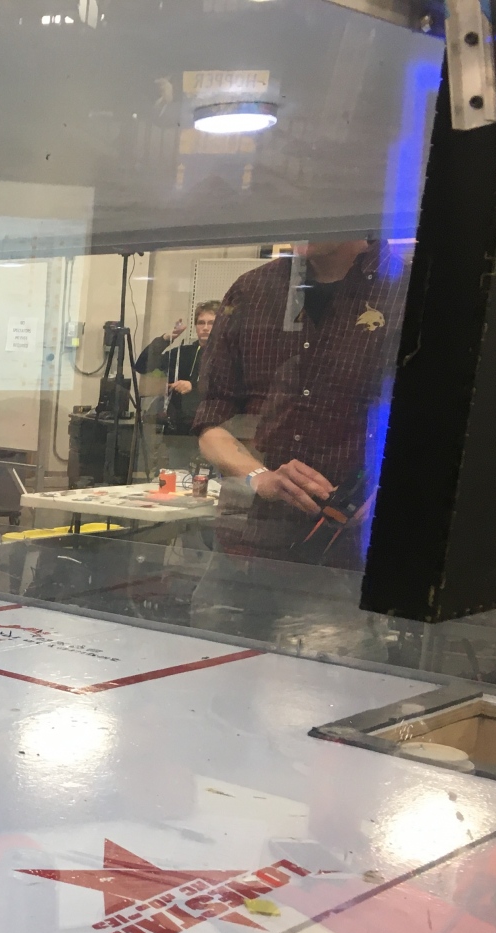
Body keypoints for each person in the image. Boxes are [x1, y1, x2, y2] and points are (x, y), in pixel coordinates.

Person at [190, 239, 405, 655]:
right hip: (244, 548)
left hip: (340, 558)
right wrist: (258, 476)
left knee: (322, 682)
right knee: (204, 674)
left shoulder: (407, 292)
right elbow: (210, 421)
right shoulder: (252, 291)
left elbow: (442, 424)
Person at [136, 301, 219, 470]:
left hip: (213, 432)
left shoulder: (227, 356)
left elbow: (229, 389)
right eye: (201, 323)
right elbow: (142, 365)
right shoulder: (182, 353)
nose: (205, 328)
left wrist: (194, 387)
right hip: (180, 433)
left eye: (211, 323)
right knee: (178, 479)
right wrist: (167, 338)